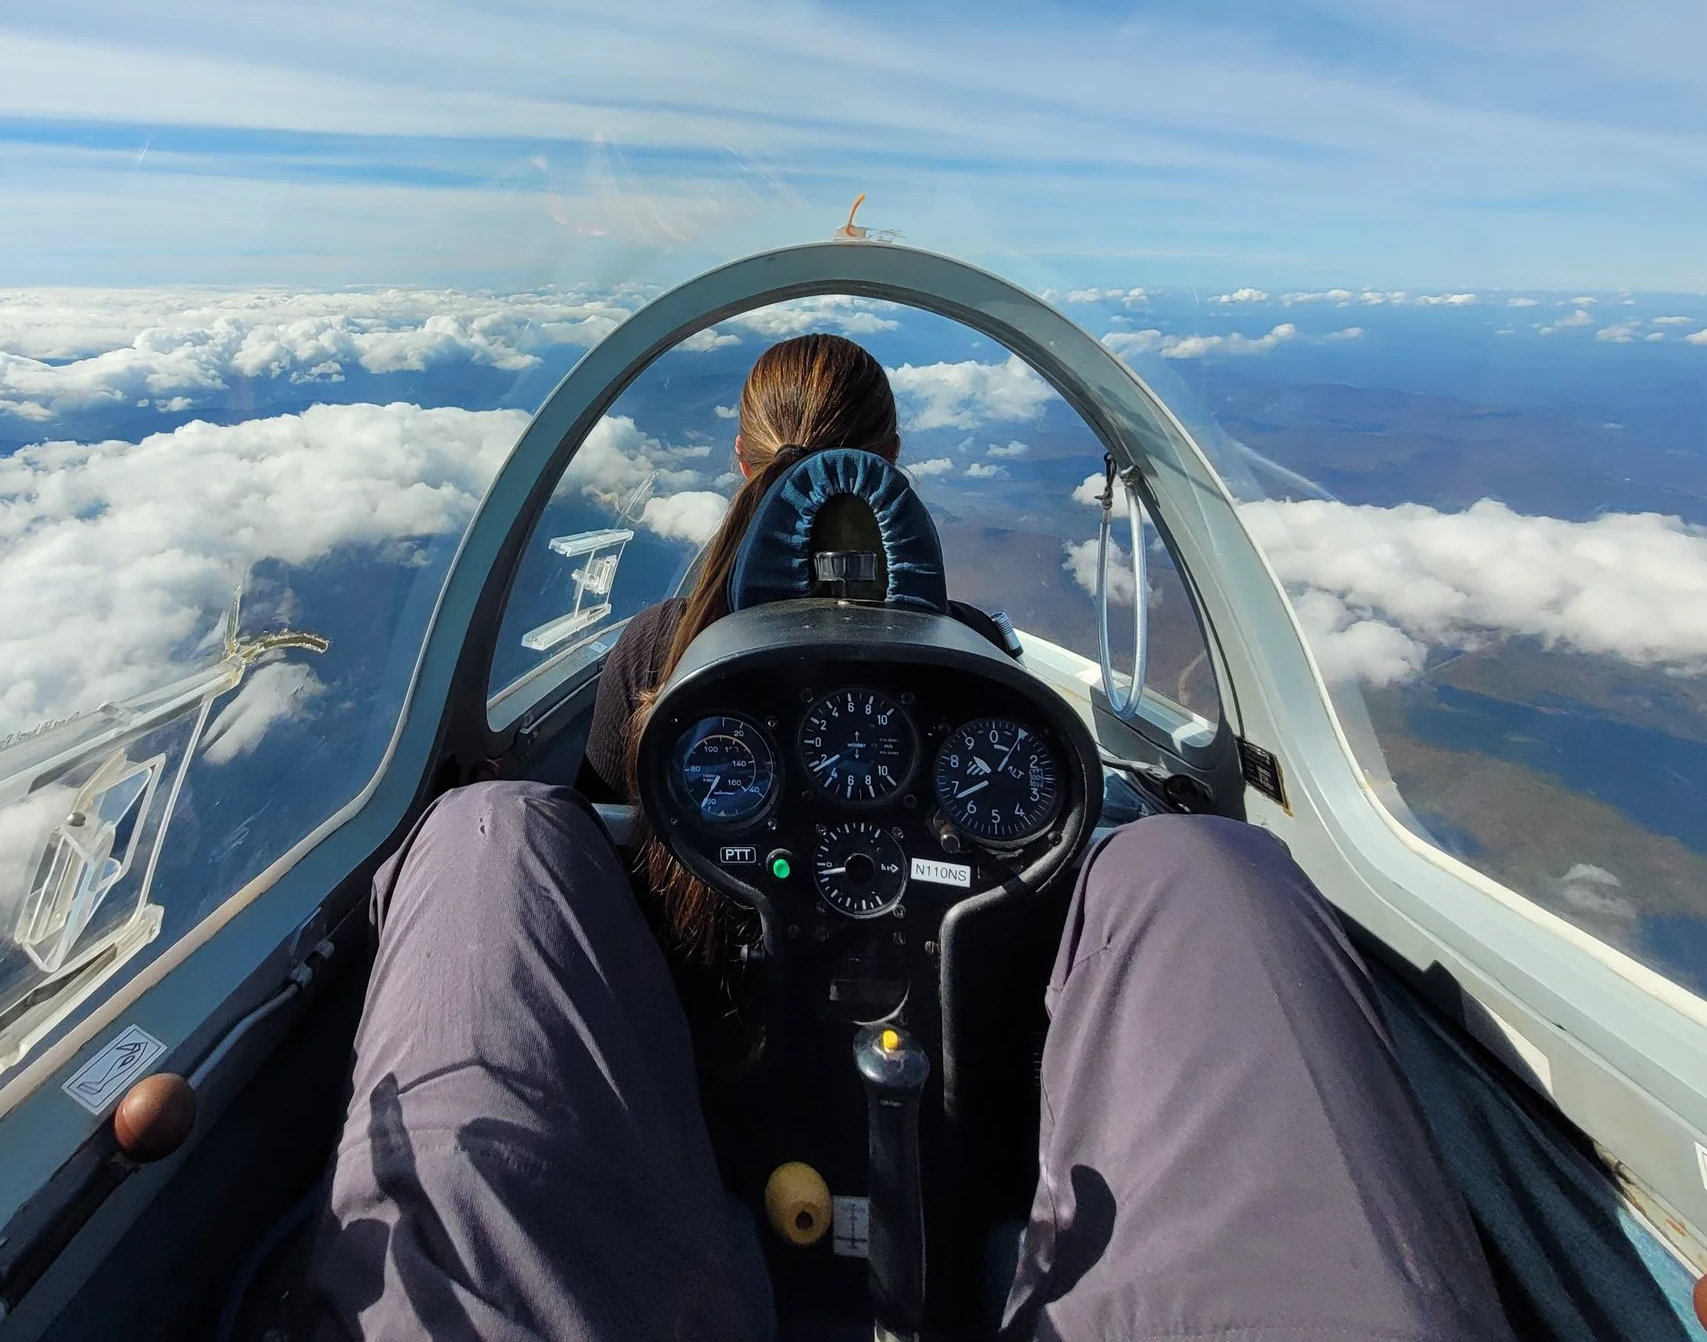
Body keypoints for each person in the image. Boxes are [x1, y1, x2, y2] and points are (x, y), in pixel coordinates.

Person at [300, 336, 1509, 1342]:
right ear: (891, 463)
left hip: (695, 1112)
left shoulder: (648, 659)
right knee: (1201, 863)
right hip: (961, 1078)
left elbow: (612, 836)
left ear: (737, 460)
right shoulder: (975, 648)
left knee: (491, 829)